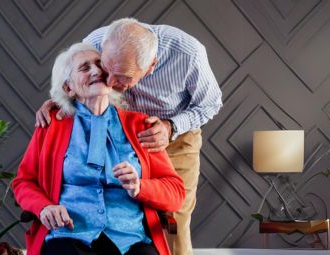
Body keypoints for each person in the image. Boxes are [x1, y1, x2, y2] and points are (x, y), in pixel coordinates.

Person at [35, 18, 223, 255]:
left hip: (173, 134)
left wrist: (170, 127)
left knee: (175, 219)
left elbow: (210, 103)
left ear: (151, 66)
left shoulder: (188, 54)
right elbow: (75, 75)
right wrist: (58, 100)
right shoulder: (96, 42)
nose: (110, 83)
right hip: (107, 124)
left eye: (123, 76)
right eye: (107, 69)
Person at [13, 42, 185, 255]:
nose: (96, 71)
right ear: (69, 88)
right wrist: (44, 207)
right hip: (69, 235)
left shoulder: (141, 125)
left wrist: (140, 186)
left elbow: (176, 192)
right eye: (85, 68)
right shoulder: (51, 125)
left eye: (99, 64)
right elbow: (23, 182)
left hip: (130, 239)